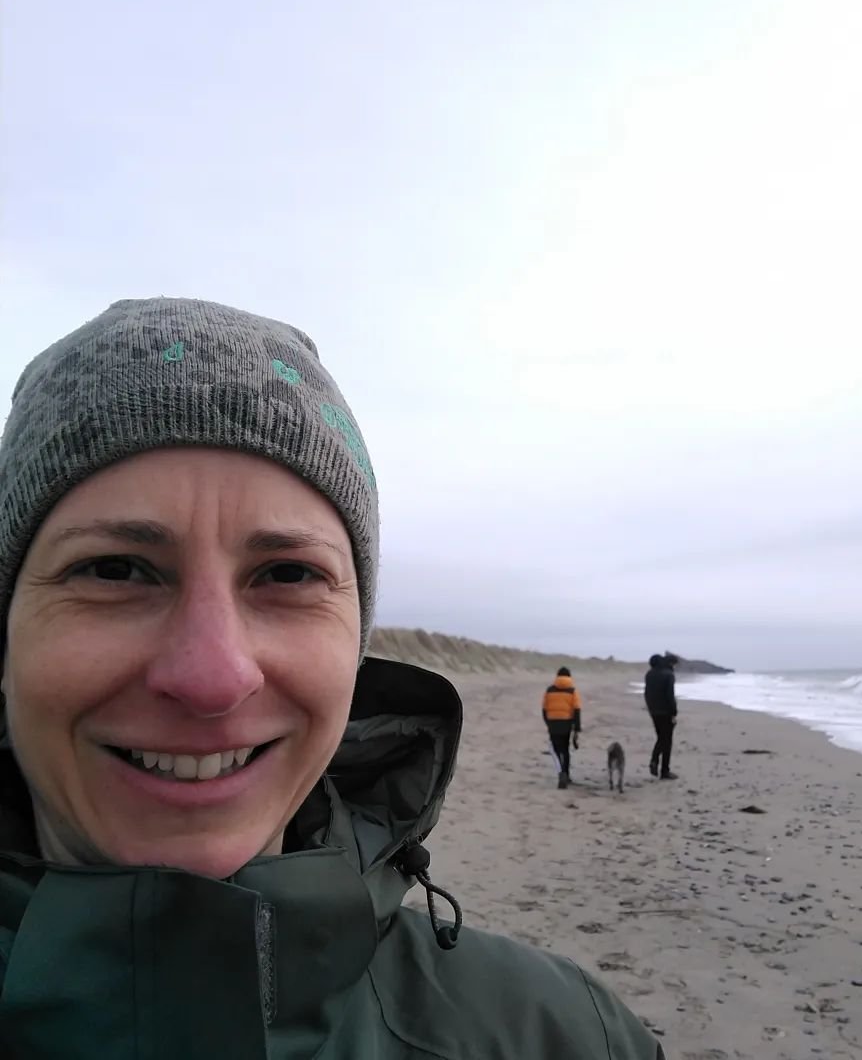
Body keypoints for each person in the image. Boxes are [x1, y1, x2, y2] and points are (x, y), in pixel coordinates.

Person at [0, 299, 663, 1059]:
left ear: (353, 646)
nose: (213, 678)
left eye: (287, 574)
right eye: (113, 570)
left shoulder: (563, 1036)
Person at [542, 666, 582, 789]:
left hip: (553, 723)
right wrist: (577, 728)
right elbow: (577, 710)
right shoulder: (572, 691)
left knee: (555, 750)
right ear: (569, 677)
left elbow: (544, 709)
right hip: (567, 723)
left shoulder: (549, 690)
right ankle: (566, 774)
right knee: (565, 750)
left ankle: (561, 773)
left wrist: (548, 723)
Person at [644, 654, 678, 780]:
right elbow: (670, 696)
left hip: (654, 711)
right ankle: (664, 770)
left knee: (661, 738)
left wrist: (650, 708)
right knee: (666, 740)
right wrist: (674, 712)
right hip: (666, 712)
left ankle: (656, 762)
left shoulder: (649, 674)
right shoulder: (669, 675)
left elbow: (647, 693)